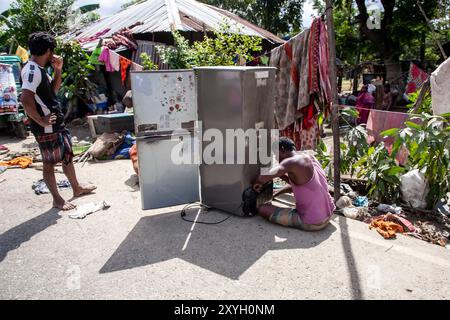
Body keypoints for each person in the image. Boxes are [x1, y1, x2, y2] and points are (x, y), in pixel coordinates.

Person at [20, 32, 96, 210]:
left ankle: (76, 188)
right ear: (48, 50)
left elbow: (53, 91)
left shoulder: (39, 70)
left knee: (67, 155)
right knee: (49, 162)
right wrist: (41, 120)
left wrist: (58, 70)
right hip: (46, 127)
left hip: (56, 124)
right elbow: (25, 99)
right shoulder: (31, 70)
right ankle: (57, 199)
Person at [253, 137, 335, 231]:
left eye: (276, 154)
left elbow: (261, 178)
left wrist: (258, 181)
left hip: (313, 222)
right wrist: (276, 193)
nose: (276, 158)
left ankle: (302, 217)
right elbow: (300, 186)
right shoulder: (308, 157)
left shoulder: (290, 162)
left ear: (282, 149)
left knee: (262, 209)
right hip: (328, 214)